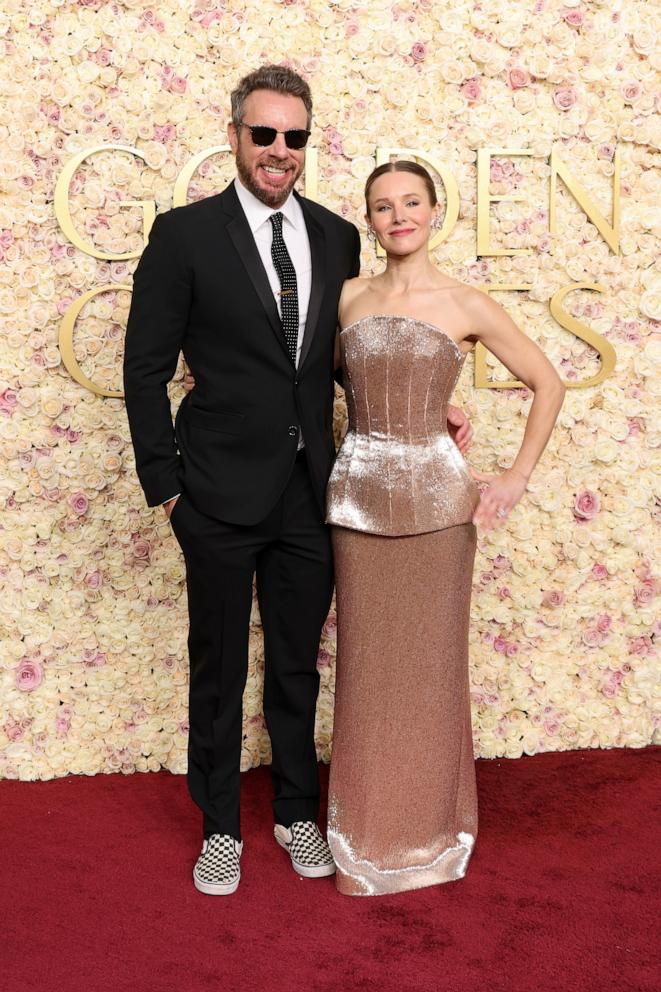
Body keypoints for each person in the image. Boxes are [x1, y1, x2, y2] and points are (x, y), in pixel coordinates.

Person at [123, 66, 472, 896]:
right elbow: (142, 371)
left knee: (294, 665)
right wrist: (165, 487)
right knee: (218, 669)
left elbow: (341, 362)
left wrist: (435, 415)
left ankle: (293, 812)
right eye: (264, 134)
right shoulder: (184, 235)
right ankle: (217, 829)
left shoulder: (336, 235)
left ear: (306, 144)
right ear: (236, 134)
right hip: (211, 491)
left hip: (312, 489)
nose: (279, 150)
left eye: (295, 137)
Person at [325, 160, 566, 896]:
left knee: (429, 671)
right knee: (366, 670)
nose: (396, 215)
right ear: (368, 219)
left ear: (434, 211)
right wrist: (419, 396)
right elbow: (335, 376)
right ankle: (361, 831)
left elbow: (546, 381)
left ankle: (429, 834)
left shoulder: (466, 302)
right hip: (358, 503)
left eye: (409, 202)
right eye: (381, 206)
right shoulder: (345, 298)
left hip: (437, 511)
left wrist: (515, 475)